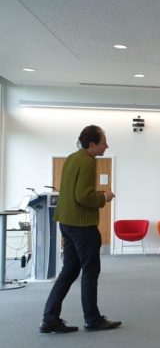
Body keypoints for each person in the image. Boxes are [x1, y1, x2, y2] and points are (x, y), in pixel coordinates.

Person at [40, 125, 121, 333]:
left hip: (66, 222)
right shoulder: (87, 162)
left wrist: (97, 193)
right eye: (103, 142)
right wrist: (104, 196)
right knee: (90, 272)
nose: (107, 145)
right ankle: (93, 319)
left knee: (69, 271)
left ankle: (50, 318)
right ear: (92, 145)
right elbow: (83, 197)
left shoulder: (72, 158)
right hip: (82, 225)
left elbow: (76, 191)